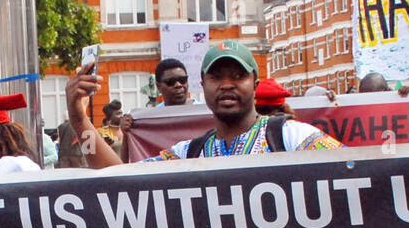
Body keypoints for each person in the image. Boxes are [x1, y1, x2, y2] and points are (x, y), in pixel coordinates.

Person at [68, 40, 340, 169]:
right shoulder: (189, 154)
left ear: (255, 84)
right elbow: (119, 180)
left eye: (238, 76)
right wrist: (79, 117)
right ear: (203, 85)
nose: (226, 84)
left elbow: (358, 174)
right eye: (216, 77)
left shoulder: (292, 137)